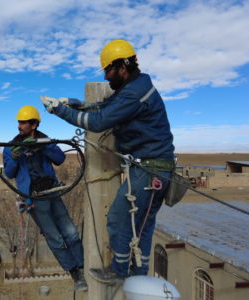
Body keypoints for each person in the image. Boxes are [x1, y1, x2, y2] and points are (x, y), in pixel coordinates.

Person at [40, 40, 175, 284]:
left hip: (151, 170)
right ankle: (139, 275)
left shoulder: (134, 93)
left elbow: (98, 122)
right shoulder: (134, 88)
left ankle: (120, 272)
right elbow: (104, 106)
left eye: (108, 70)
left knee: (118, 218)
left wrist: (59, 111)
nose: (106, 75)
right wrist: (76, 103)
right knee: (142, 226)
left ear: (123, 67)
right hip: (153, 168)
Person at [3, 105, 88, 292]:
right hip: (34, 198)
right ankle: (74, 272)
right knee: (55, 237)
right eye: (19, 122)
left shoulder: (45, 140)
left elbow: (60, 158)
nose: (20, 125)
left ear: (33, 125)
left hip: (52, 192)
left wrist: (42, 147)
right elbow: (9, 172)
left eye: (24, 122)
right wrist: (16, 157)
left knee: (71, 232)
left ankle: (84, 268)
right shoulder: (11, 147)